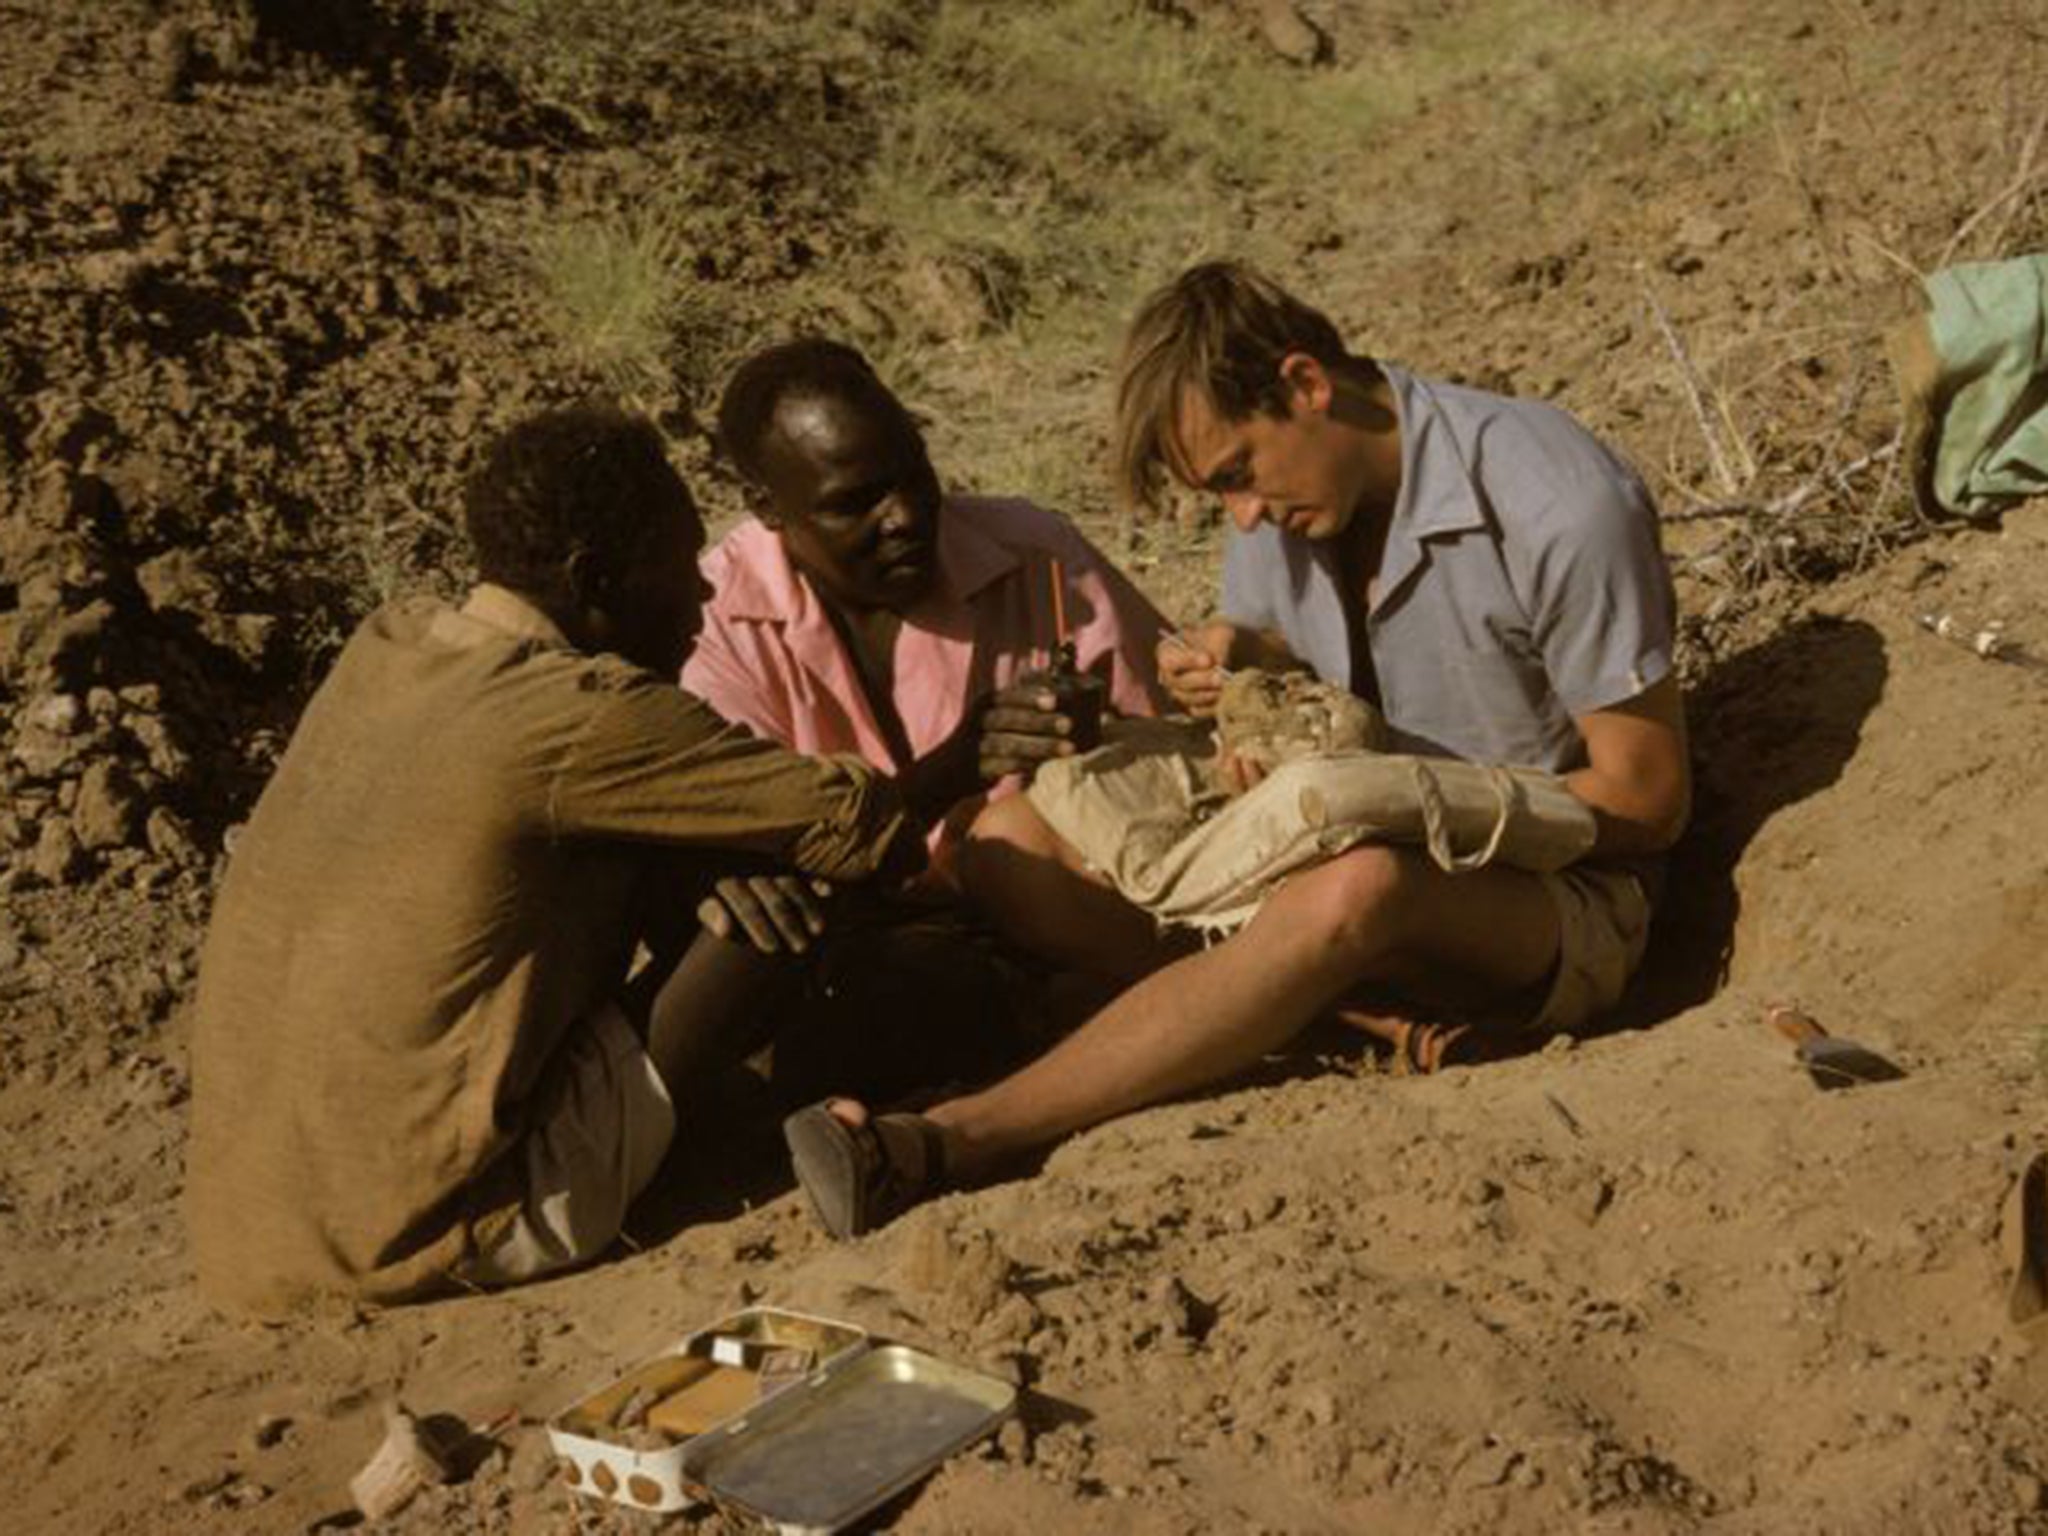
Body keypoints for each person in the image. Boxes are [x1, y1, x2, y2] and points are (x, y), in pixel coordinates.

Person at [782, 261, 1690, 1239]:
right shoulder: (1283, 500)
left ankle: (948, 1140)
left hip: (1549, 896)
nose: (1242, 518)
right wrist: (1246, 677)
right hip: (1314, 874)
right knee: (1013, 841)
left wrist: (1399, 810)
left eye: (1236, 476)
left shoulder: (1551, 498)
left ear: (1305, 384)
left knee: (1359, 886)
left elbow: (1646, 802)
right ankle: (1346, 1015)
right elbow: (1288, 726)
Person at [185, 404, 926, 1317]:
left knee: (693, 841)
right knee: (782, 886)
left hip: (250, 1236)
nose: (701, 596)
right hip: (439, 1234)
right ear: (594, 581)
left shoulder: (390, 645)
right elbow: (860, 827)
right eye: (676, 564)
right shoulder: (585, 713)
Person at [683, 338, 1172, 884]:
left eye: (914, 474)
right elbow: (767, 856)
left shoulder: (1042, 557)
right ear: (766, 506)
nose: (904, 517)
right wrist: (952, 772)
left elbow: (1178, 731)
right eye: (855, 502)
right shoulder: (709, 620)